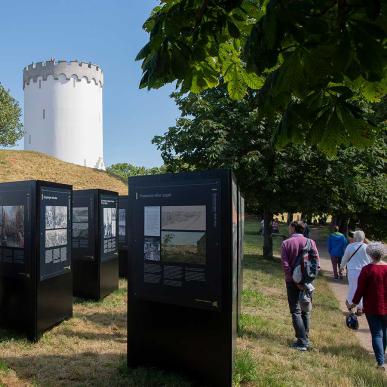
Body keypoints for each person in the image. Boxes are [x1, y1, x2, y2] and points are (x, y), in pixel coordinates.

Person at [281, 221, 320, 351]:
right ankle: (305, 338)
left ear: (293, 228)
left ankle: (301, 341)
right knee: (305, 309)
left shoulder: (286, 243)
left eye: (289, 227)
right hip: (308, 282)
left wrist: (294, 280)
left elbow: (286, 265)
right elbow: (316, 263)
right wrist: (307, 280)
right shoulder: (311, 242)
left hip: (292, 281)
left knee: (295, 311)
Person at [349, 243, 387, 370]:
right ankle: (381, 356)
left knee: (377, 334)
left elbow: (360, 290)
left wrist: (353, 303)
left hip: (371, 306)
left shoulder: (367, 269)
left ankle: (380, 362)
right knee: (385, 332)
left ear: (370, 254)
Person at [340, 230, 371, 315]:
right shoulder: (367, 247)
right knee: (363, 289)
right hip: (365, 271)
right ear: (363, 238)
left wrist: (341, 267)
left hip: (353, 270)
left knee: (352, 288)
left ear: (355, 237)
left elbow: (345, 258)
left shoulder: (350, 246)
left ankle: (350, 307)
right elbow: (371, 260)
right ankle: (360, 308)